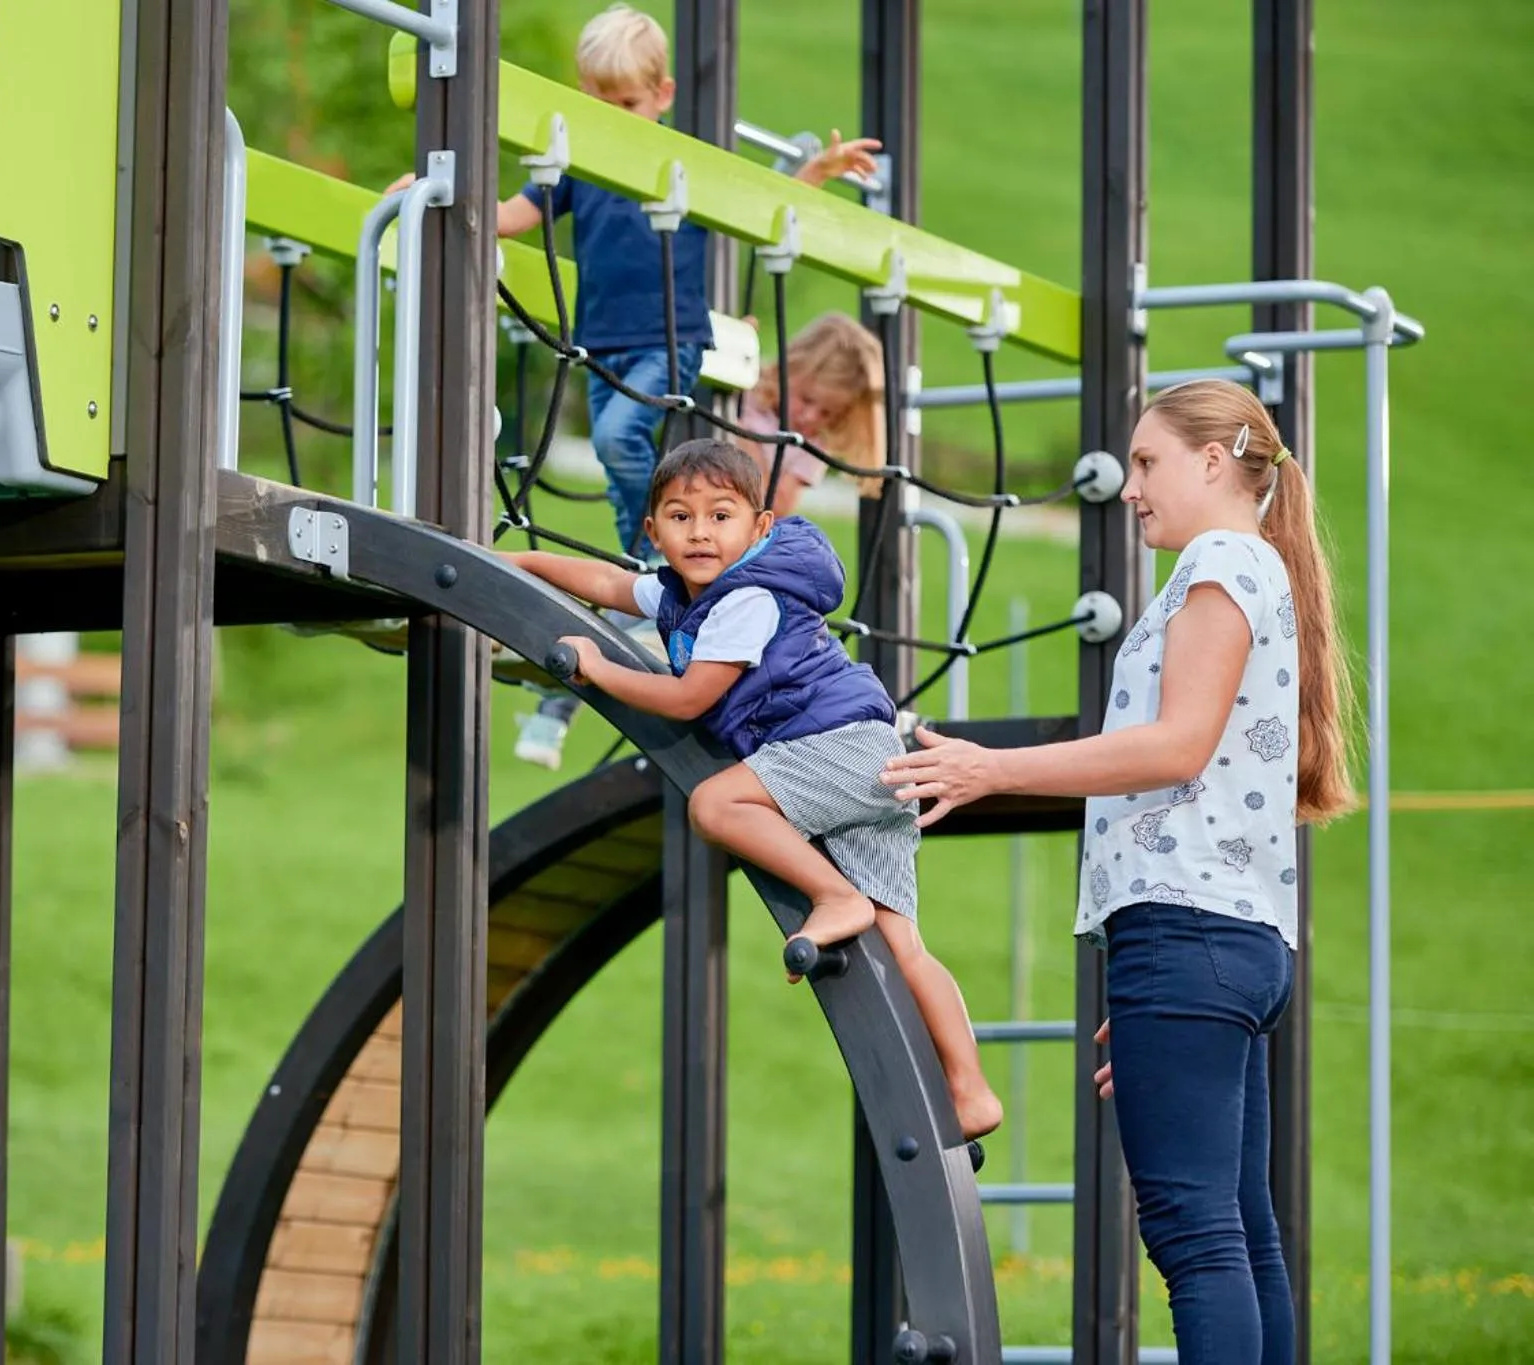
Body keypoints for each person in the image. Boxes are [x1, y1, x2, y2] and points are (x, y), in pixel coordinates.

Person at [879, 378, 1345, 1364]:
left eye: (1146, 462)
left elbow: (1174, 746)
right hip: (1221, 942)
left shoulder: (1221, 559)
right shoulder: (1249, 566)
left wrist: (987, 766)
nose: (1128, 488)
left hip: (1188, 937)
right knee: (1240, 1236)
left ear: (1213, 459)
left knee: (1195, 1236)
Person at [403, 2, 879, 768]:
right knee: (618, 444)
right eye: (597, 101)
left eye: (625, 104)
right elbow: (508, 216)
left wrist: (813, 174)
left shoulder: (677, 166)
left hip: (670, 343)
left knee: (626, 437)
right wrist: (435, 193)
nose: (611, 117)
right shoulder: (578, 170)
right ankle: (639, 554)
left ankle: (640, 559)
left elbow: (761, 209)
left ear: (659, 98)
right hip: (598, 347)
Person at [506, 438, 1003, 1141]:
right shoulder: (681, 591)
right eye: (680, 517)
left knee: (716, 802)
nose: (700, 532)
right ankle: (970, 1087)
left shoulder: (747, 600)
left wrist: (598, 668)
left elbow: (687, 699)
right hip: (865, 758)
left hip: (838, 748)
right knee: (903, 943)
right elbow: (612, 585)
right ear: (654, 532)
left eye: (720, 515)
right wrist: (524, 564)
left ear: (759, 528)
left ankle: (836, 895)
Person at [732, 311, 887, 516]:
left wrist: (745, 441)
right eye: (806, 399)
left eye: (827, 413)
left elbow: (777, 507)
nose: (810, 417)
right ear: (791, 368)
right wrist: (734, 343)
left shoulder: (811, 446)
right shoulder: (749, 385)